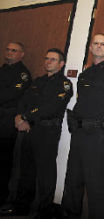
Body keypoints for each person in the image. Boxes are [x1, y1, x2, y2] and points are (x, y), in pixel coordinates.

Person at [61, 33, 104, 219]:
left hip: (98, 135)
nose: (99, 46)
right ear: (91, 48)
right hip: (79, 133)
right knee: (73, 179)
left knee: (96, 184)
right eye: (96, 43)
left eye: (103, 44)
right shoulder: (84, 75)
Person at [0, 48, 73, 218]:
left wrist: (26, 116)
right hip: (29, 129)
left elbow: (51, 107)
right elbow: (23, 100)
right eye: (47, 58)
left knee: (45, 172)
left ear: (61, 64)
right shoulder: (37, 82)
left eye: (53, 59)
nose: (48, 61)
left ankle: (43, 210)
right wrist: (20, 117)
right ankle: (21, 207)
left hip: (47, 132)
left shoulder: (64, 84)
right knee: (26, 171)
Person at [0, 42, 31, 205]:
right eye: (8, 49)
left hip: (7, 119)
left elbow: (11, 94)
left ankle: (3, 196)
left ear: (22, 54)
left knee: (4, 159)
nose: (10, 52)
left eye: (14, 50)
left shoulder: (23, 74)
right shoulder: (2, 69)